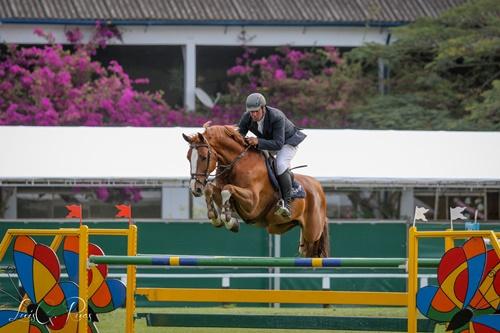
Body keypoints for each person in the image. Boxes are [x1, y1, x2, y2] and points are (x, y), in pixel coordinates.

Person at [238, 92, 306, 217]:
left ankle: (286, 203)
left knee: (280, 164)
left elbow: (278, 144)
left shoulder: (276, 116)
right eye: (251, 112)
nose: (253, 114)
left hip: (287, 142)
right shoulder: (247, 117)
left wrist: (258, 141)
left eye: (256, 111)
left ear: (263, 108)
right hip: (268, 142)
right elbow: (239, 135)